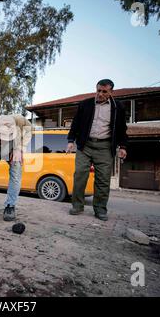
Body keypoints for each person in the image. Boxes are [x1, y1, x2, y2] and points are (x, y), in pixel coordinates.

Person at [66, 79, 128, 221]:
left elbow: (121, 128)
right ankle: (77, 205)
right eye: (98, 90)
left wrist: (123, 146)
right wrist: (71, 141)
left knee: (103, 179)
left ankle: (100, 209)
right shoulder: (85, 104)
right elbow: (75, 123)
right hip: (85, 145)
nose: (100, 94)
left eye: (104, 91)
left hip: (105, 147)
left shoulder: (118, 107)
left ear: (111, 92)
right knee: (80, 174)